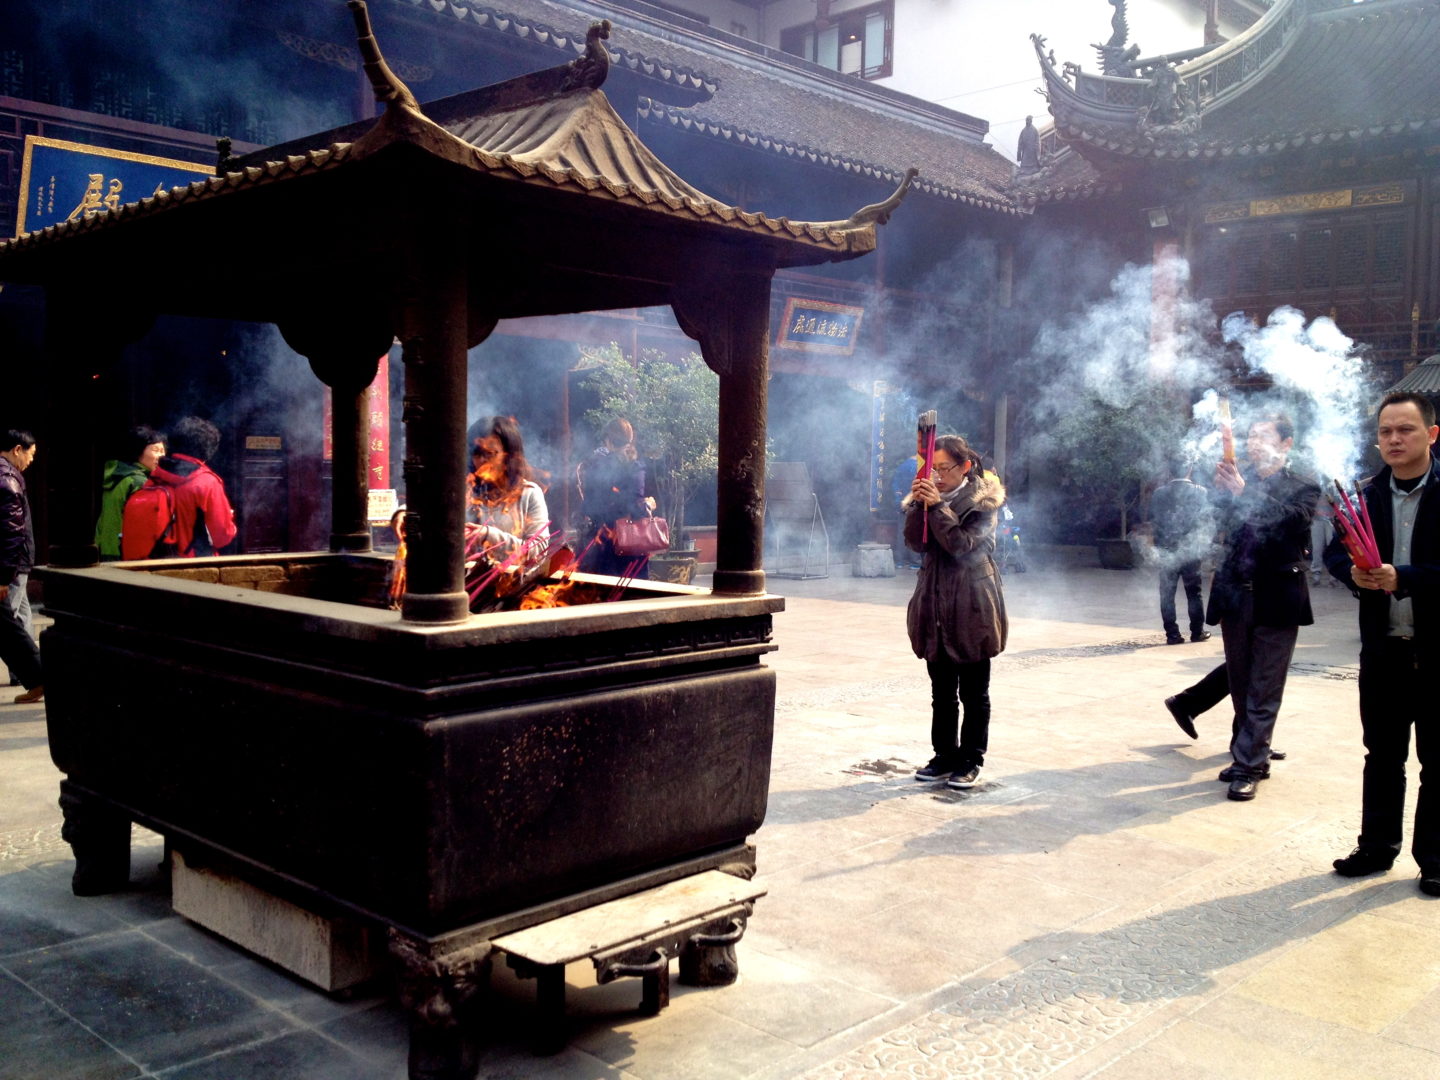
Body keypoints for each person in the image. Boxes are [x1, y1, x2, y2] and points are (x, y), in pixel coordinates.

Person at [1325, 392, 1440, 893]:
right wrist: (1352, 573)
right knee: (1382, 754)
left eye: (1406, 430)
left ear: (1432, 434)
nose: (1393, 439)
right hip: (1384, 649)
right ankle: (1376, 847)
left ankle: (1435, 859)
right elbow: (1334, 554)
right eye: (1386, 431)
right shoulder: (1365, 495)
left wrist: (1405, 577)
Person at [1206, 413, 1319, 801]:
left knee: (1264, 685)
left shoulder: (1303, 485)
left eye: (1264, 436)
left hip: (1278, 597)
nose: (1253, 443)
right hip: (1236, 593)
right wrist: (1220, 491)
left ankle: (1249, 764)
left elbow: (1291, 523)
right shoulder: (1243, 479)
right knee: (1240, 681)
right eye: (1251, 435)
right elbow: (1220, 523)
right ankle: (1251, 752)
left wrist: (1241, 492)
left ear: (1286, 443)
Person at [904, 434, 1008, 790]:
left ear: (964, 468)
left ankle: (971, 758)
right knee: (942, 692)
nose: (937, 475)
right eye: (931, 468)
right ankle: (944, 756)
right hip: (934, 601)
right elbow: (916, 544)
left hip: (972, 604)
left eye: (944, 468)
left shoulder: (983, 503)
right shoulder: (929, 498)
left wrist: (938, 509)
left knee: (974, 692)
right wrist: (919, 506)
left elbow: (963, 547)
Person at [147, 416, 237, 557]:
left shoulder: (154, 476)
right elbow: (222, 536)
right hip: (195, 562)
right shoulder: (207, 482)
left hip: (157, 560)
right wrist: (229, 521)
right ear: (208, 449)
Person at [577, 417, 655, 578]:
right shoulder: (636, 467)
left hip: (604, 542)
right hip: (632, 544)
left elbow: (588, 507)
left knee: (606, 597)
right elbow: (634, 505)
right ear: (630, 439)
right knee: (635, 595)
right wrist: (647, 504)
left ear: (608, 441)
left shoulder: (595, 466)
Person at [467, 415, 551, 563]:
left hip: (511, 584)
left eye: (489, 453)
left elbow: (538, 551)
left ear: (509, 456)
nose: (481, 460)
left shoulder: (529, 494)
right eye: (477, 453)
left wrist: (487, 535)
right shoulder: (466, 493)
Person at [0, 428, 43, 703]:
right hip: (11, 565)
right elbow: (11, 532)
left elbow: (11, 532)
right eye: (31, 454)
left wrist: (4, 576)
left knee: (8, 624)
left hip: (9, 566)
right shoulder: (6, 477)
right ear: (18, 449)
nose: (31, 460)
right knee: (9, 624)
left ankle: (39, 677)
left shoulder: (6, 478)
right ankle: (38, 678)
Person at [1150, 458, 1212, 645]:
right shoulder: (1201, 492)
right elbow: (1206, 521)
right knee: (1194, 592)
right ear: (1190, 469)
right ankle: (1197, 632)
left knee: (1167, 593)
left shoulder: (1159, 493)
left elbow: (1155, 520)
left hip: (1167, 550)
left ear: (1169, 471)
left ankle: (1172, 634)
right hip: (1191, 550)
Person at [94, 424, 166, 560]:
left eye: (163, 451)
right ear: (138, 451)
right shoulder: (138, 482)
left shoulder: (117, 475)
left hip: (105, 547)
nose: (161, 456)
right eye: (156, 450)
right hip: (125, 550)